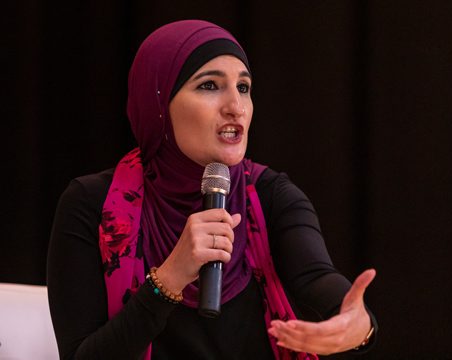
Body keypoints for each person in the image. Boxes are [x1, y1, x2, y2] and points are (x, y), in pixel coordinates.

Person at [47, 19, 377, 360]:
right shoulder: (90, 204)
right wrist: (170, 277)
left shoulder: (272, 195)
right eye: (209, 86)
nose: (236, 106)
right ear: (158, 103)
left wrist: (356, 324)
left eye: (244, 87)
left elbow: (316, 277)